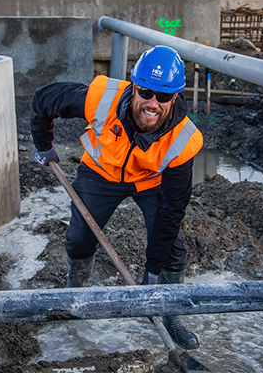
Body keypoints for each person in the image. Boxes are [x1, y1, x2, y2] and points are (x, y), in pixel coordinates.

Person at [31, 45, 204, 350]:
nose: (153, 103)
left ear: (175, 97)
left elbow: (171, 210)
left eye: (163, 97)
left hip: (151, 181)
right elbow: (44, 98)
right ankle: (76, 292)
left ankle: (169, 310)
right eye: (146, 92)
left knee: (172, 248)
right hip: (101, 171)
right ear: (134, 86)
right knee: (80, 238)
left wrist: (151, 273)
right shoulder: (102, 98)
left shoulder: (183, 139)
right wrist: (43, 145)